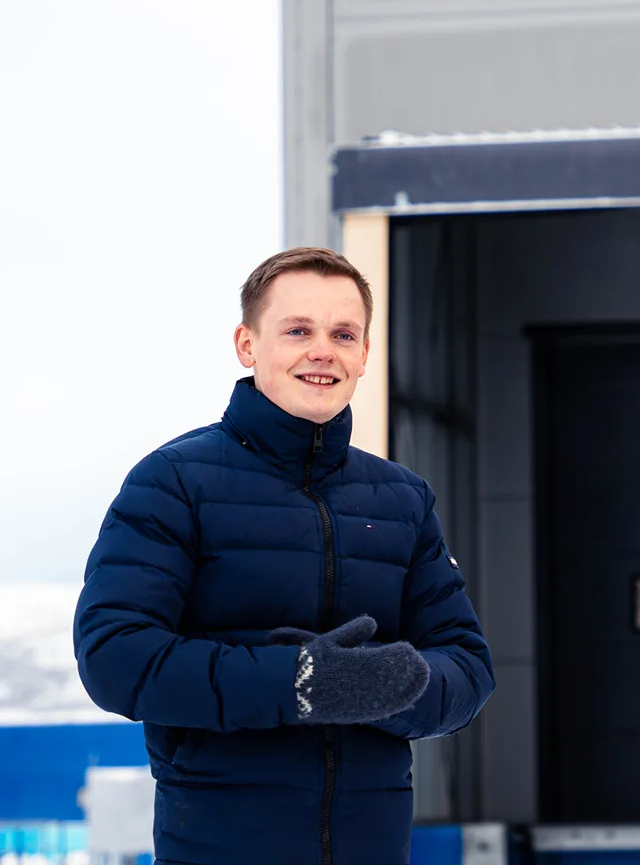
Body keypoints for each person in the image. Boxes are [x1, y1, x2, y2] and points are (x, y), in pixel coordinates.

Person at [74, 247, 494, 865]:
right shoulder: (174, 482)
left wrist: (399, 684)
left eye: (343, 334)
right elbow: (115, 657)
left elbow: (470, 666)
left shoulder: (402, 498)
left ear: (364, 355)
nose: (322, 350)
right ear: (247, 345)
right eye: (298, 330)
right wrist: (298, 684)